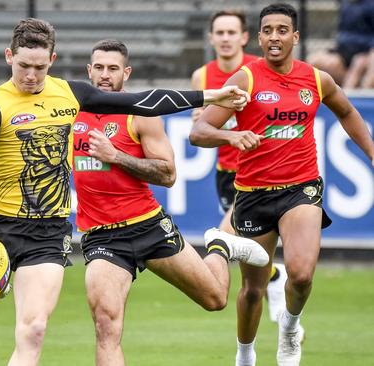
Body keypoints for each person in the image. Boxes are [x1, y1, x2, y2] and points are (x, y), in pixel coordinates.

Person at [0, 18, 253, 366]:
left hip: (51, 231)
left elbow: (144, 101)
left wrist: (212, 95)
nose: (31, 75)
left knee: (34, 331)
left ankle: (219, 246)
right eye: (23, 66)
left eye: (40, 67)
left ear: (53, 61)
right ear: (8, 57)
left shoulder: (70, 94)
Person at [189, 4, 374, 366]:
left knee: (302, 275)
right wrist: (233, 136)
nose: (275, 36)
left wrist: (371, 152)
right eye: (268, 30)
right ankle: (245, 354)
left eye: (282, 29)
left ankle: (290, 328)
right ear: (259, 37)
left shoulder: (317, 79)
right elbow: (199, 132)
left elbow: (348, 112)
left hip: (300, 188)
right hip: (253, 194)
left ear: (295, 36)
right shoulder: (244, 79)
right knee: (253, 291)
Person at [73, 39, 269, 366]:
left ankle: (220, 245)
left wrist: (115, 156)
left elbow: (167, 174)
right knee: (106, 325)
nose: (105, 75)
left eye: (113, 69)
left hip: (149, 226)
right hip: (102, 236)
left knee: (216, 298)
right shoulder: (71, 112)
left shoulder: (141, 115)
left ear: (127, 72)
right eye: (99, 68)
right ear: (88, 71)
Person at [191, 10, 288, 324]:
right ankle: (274, 276)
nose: (225, 38)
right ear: (211, 38)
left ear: (245, 37)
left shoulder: (257, 71)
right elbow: (201, 127)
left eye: (232, 32)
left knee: (224, 235)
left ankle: (224, 280)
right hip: (225, 172)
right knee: (246, 246)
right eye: (219, 33)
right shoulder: (201, 76)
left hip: (257, 172)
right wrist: (206, 123)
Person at [308, 0, 374, 89]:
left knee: (358, 64)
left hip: (365, 53)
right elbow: (342, 36)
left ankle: (356, 96)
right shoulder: (345, 4)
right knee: (314, 61)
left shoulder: (370, 5)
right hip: (343, 53)